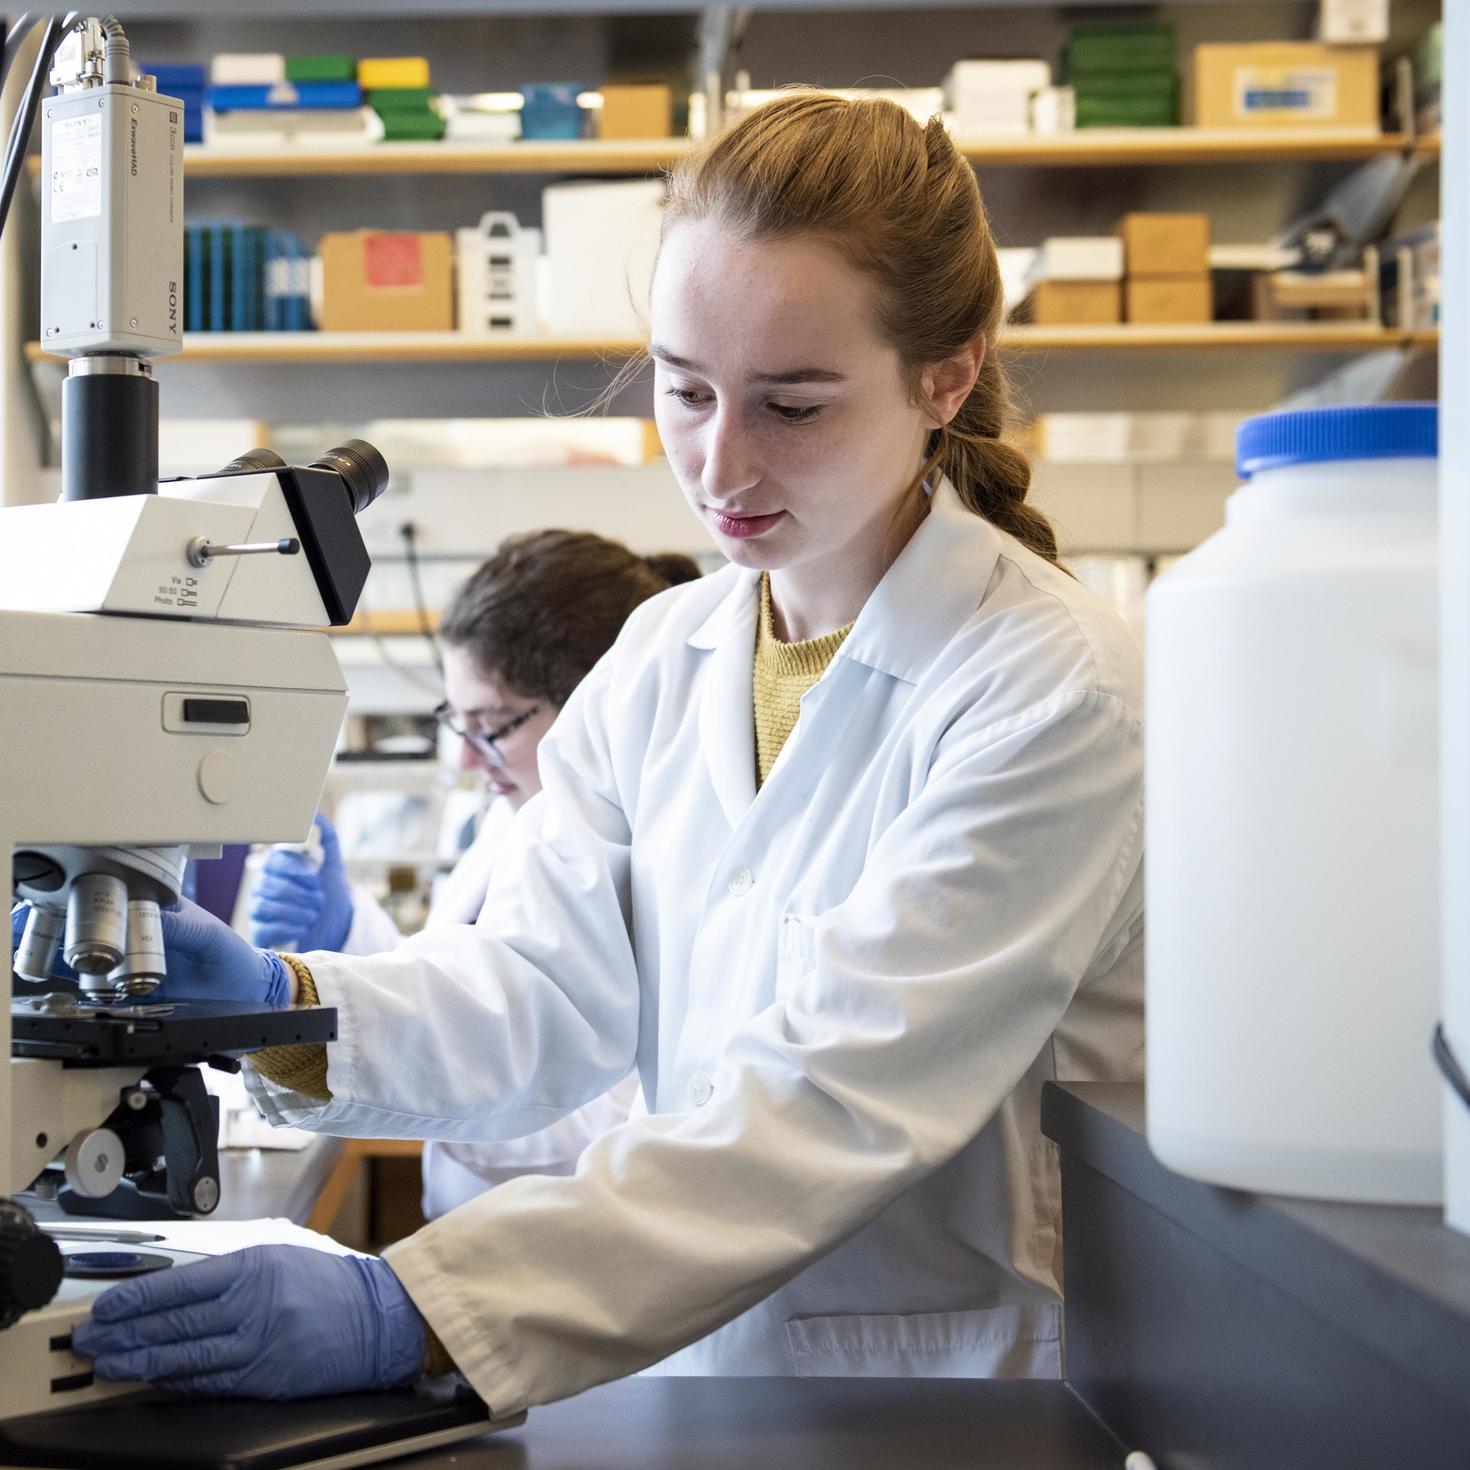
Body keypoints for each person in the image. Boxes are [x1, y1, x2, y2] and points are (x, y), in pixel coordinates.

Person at [71, 93, 1145, 1413]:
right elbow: (545, 989)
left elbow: (837, 1096)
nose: (719, 460)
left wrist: (413, 1305)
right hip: (682, 1376)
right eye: (684, 389)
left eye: (792, 406)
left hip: (948, 1389)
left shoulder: (1049, 689)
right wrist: (283, 1001)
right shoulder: (664, 652)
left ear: (947, 374)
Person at [246, 530, 700, 1219]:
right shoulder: (514, 813)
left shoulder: (667, 859)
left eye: (491, 726)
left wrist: (377, 1065)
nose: (465, 761)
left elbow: (597, 1119)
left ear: (598, 712)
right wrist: (343, 934)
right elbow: (458, 994)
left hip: (566, 1250)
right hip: (473, 1228)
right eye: (456, 722)